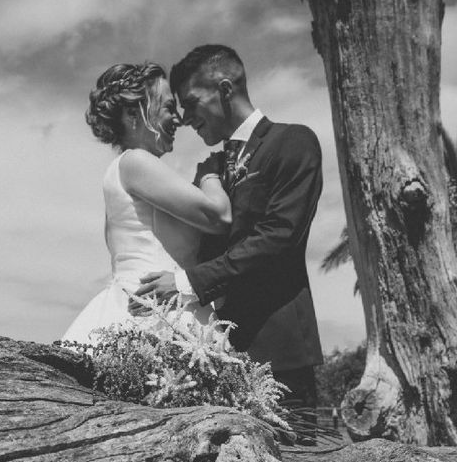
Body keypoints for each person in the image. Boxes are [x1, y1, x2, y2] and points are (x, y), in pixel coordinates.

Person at [135, 45, 325, 406]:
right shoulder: (210, 169)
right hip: (209, 350)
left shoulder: (293, 141)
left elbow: (278, 236)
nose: (186, 118)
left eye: (191, 103)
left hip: (277, 352)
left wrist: (188, 282)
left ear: (224, 90)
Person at [61, 62, 232, 344]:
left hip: (160, 304)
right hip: (154, 317)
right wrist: (210, 173)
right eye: (167, 107)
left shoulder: (128, 169)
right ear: (132, 113)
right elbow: (218, 216)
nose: (177, 118)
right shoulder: (136, 162)